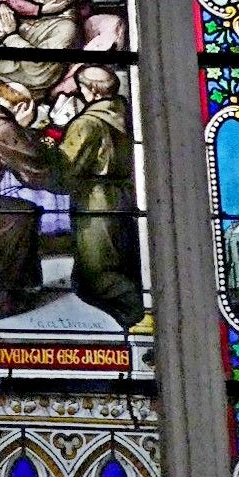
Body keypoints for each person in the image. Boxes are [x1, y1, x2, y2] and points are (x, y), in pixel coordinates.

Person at [57, 66, 144, 327]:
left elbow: (64, 172)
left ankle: (133, 319)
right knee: (121, 261)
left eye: (82, 88)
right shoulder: (128, 115)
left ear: (92, 91)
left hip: (96, 202)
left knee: (99, 272)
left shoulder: (87, 124)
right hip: (125, 198)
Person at [0, 82, 63, 319]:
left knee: (22, 209)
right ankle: (6, 296)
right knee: (26, 214)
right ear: (23, 106)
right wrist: (21, 130)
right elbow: (35, 172)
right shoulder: (3, 127)